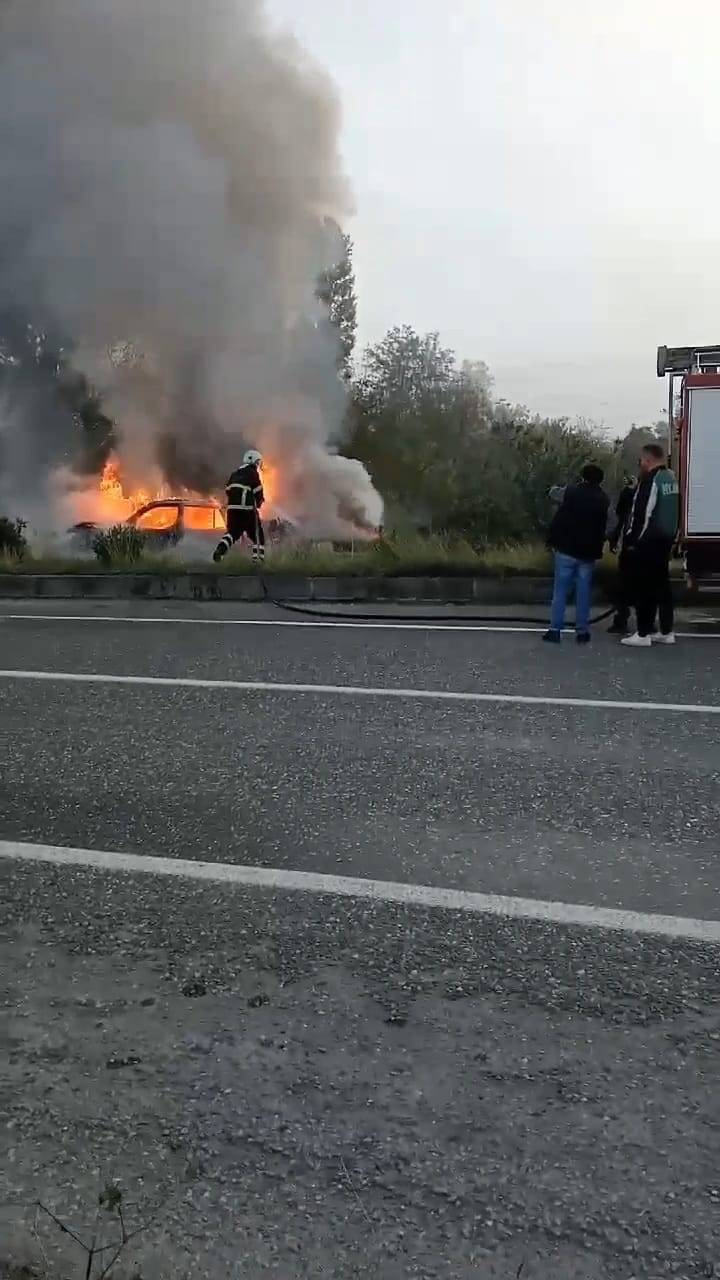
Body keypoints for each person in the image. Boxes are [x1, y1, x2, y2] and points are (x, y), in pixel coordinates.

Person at [543, 463, 609, 645]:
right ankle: (582, 631)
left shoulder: (572, 492)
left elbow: (554, 494)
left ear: (583, 477)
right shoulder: (603, 498)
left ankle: (555, 630)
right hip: (588, 552)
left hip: (566, 548)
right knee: (583, 592)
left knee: (560, 591)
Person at [620, 443, 679, 648]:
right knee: (662, 588)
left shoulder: (650, 480)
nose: (641, 464)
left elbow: (642, 514)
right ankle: (666, 631)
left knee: (644, 588)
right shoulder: (670, 478)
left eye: (642, 460)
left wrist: (632, 541)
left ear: (648, 459)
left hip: (648, 542)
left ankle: (643, 633)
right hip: (665, 540)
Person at [212, 449, 265, 563]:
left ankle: (220, 551)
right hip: (247, 510)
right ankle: (258, 561)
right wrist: (259, 501)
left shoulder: (234, 474)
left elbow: (227, 490)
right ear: (254, 461)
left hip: (232, 510)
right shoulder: (252, 473)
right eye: (258, 462)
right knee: (258, 535)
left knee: (232, 533)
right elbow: (258, 490)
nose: (258, 465)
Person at [607, 476, 636, 635]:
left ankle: (621, 620)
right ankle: (648, 622)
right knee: (645, 585)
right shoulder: (649, 492)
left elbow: (619, 520)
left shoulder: (627, 495)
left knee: (623, 585)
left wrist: (613, 541)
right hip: (644, 546)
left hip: (629, 545)